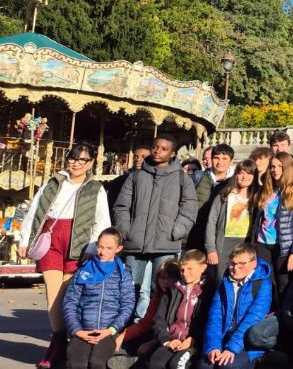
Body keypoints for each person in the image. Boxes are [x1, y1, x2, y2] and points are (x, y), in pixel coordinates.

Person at [17, 142, 111, 369]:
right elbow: (34, 212)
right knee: (53, 292)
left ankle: (68, 342)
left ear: (90, 163)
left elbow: (102, 221)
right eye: (73, 158)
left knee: (69, 294)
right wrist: (24, 240)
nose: (76, 163)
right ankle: (58, 339)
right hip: (50, 239)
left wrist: (93, 249)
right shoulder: (53, 183)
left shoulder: (95, 188)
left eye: (83, 160)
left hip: (78, 243)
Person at [113, 134, 197, 322]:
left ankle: (156, 328)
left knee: (162, 288)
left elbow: (189, 209)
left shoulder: (182, 179)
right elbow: (121, 206)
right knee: (129, 288)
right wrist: (126, 230)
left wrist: (176, 231)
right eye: (156, 147)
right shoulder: (136, 176)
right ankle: (126, 327)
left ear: (173, 153)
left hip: (165, 242)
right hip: (136, 241)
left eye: (164, 148)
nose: (158, 151)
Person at [63, 227, 135, 369]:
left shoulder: (123, 273)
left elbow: (127, 304)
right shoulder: (83, 271)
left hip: (108, 331)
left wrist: (111, 330)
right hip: (83, 330)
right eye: (100, 247)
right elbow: (70, 303)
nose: (103, 252)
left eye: (109, 248)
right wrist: (77, 330)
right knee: (76, 363)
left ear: (118, 248)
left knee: (97, 362)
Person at [199, 244, 274, 369]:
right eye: (232, 263)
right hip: (224, 337)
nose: (235, 268)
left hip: (247, 343)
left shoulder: (263, 284)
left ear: (253, 263)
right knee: (205, 365)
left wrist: (232, 348)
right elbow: (215, 318)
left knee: (228, 366)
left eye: (241, 264)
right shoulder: (224, 284)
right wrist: (213, 346)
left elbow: (254, 318)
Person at [250, 151, 293, 294]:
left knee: (284, 287)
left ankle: (281, 315)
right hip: (262, 243)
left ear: (287, 168)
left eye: (279, 166)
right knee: (261, 284)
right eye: (272, 166)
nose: (274, 170)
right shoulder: (267, 188)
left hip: (284, 247)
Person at [147, 250, 214, 369]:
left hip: (193, 342)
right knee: (156, 362)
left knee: (177, 364)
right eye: (182, 270)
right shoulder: (173, 290)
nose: (185, 273)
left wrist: (194, 339)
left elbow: (209, 321)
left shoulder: (208, 292)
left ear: (203, 268)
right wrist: (166, 340)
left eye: (190, 269)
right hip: (171, 339)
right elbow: (159, 319)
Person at [113, 260, 179, 362]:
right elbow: (145, 324)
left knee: (143, 349)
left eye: (170, 278)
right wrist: (123, 335)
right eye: (162, 278)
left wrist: (155, 341)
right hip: (153, 333)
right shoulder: (158, 297)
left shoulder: (179, 298)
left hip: (169, 338)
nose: (165, 282)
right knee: (122, 343)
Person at [204, 160, 256, 275]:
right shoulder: (224, 195)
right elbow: (211, 222)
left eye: (249, 173)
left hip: (246, 243)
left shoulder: (257, 197)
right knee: (220, 278)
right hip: (224, 244)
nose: (244, 177)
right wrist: (211, 249)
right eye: (241, 172)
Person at [188, 144, 235, 252]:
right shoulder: (198, 177)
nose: (220, 162)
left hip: (220, 237)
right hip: (195, 233)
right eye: (216, 158)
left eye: (224, 158)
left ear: (231, 162)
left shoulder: (235, 182)